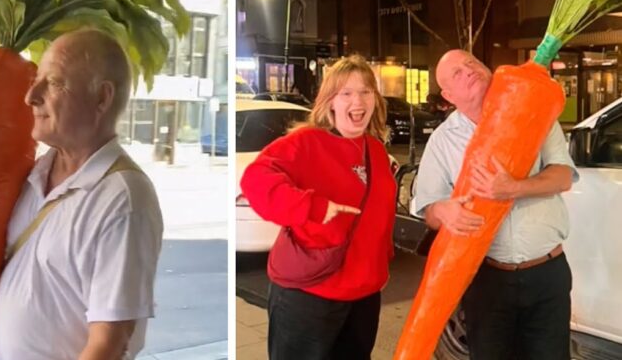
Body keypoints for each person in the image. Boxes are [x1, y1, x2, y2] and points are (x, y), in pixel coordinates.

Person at [0, 29, 164, 360]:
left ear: (101, 98)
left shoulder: (123, 198)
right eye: (37, 80)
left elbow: (109, 342)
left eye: (54, 83)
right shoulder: (29, 176)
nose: (31, 96)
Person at [413, 49, 578, 359]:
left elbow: (563, 177)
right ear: (449, 95)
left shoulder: (535, 112)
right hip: (487, 278)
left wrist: (513, 188)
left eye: (471, 63)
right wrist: (443, 210)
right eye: (458, 74)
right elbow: (430, 210)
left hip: (547, 272)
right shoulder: (442, 140)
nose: (469, 71)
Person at [240, 55, 396, 360]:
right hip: (310, 295)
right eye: (346, 93)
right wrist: (311, 207)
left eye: (366, 91)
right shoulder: (307, 142)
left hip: (364, 296)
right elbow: (255, 180)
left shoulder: (375, 150)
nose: (358, 100)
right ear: (331, 101)